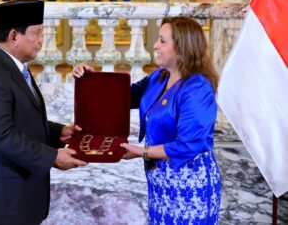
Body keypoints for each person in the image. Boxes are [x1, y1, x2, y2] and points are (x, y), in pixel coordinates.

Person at [0, 0, 87, 225]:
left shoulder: (12, 66)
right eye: (37, 33)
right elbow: (0, 135)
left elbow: (21, 118)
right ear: (14, 36)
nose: (42, 40)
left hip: (12, 197)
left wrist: (58, 132)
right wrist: (52, 157)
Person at [73, 16, 222, 224]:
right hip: (160, 182)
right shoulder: (160, 76)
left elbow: (187, 146)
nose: (155, 46)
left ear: (182, 47)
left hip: (190, 186)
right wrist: (91, 78)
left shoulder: (198, 89)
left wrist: (141, 152)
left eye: (162, 40)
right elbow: (120, 97)